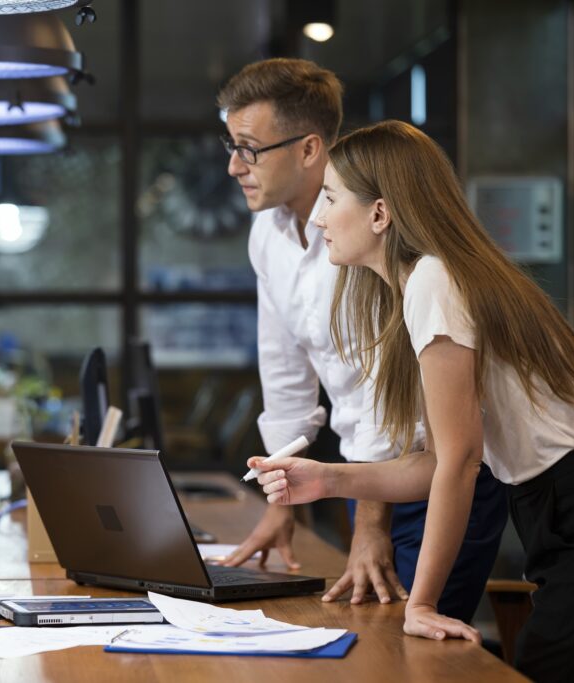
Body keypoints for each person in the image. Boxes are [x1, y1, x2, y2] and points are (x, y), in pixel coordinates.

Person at [252, 119, 574, 681]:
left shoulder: (434, 281)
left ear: (380, 214)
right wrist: (328, 479)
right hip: (551, 505)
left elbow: (459, 463)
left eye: (331, 198)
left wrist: (423, 604)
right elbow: (435, 462)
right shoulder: (427, 282)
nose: (317, 217)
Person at [215, 58, 507, 622]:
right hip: (373, 474)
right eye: (230, 145)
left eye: (249, 148)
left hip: (432, 469)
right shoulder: (268, 234)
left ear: (308, 149)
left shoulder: (364, 239)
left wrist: (369, 526)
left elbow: (384, 394)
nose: (233, 166)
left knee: (407, 640)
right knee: (375, 631)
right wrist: (279, 502)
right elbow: (284, 373)